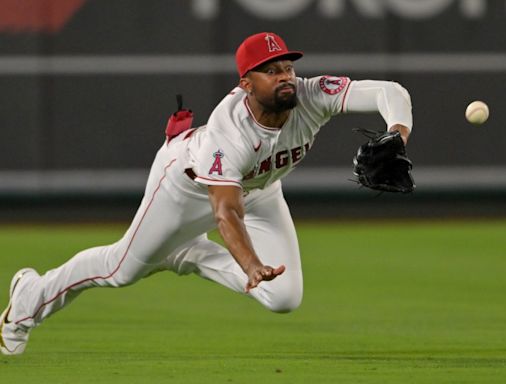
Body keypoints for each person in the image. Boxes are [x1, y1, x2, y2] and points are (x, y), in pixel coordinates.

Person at [0, 32, 412, 355]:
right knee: (120, 269)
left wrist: (397, 133)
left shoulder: (311, 94)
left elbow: (389, 92)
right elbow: (225, 215)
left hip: (260, 189)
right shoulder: (227, 132)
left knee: (284, 296)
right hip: (186, 188)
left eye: (287, 66)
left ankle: (184, 253)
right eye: (271, 70)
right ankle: (28, 298)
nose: (285, 76)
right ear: (246, 83)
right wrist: (249, 264)